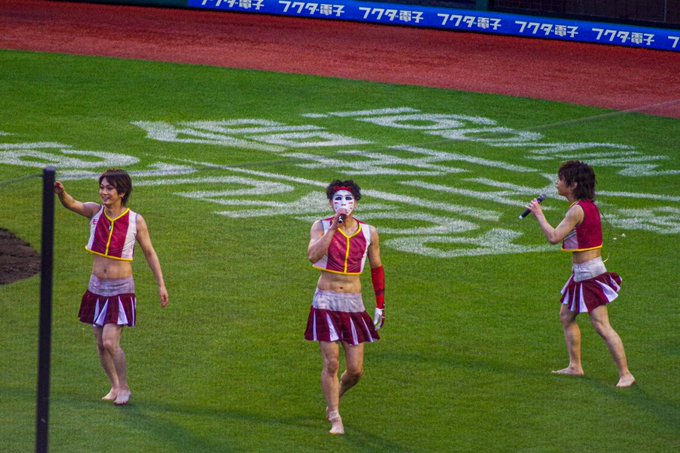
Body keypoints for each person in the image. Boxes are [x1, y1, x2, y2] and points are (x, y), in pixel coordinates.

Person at [54, 168, 169, 405]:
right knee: (100, 344)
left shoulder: (135, 220)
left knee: (110, 342)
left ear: (122, 193)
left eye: (109, 188)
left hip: (120, 289)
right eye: (102, 187)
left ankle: (125, 387)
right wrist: (61, 193)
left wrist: (161, 284)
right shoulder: (95, 212)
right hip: (96, 287)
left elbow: (149, 252)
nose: (103, 192)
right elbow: (72, 204)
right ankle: (115, 386)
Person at [526, 160, 635, 388]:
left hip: (589, 275)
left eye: (560, 179)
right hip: (582, 273)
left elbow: (554, 237)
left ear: (573, 184)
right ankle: (575, 366)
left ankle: (626, 374)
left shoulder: (576, 210)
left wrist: (539, 214)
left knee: (601, 326)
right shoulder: (587, 206)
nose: (557, 183)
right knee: (566, 317)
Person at [305, 180, 385, 434]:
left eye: (348, 199)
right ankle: (335, 416)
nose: (343, 203)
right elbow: (313, 255)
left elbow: (376, 268)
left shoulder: (369, 232)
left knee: (356, 371)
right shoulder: (320, 226)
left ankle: (335, 396)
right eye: (337, 199)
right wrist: (333, 229)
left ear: (356, 203)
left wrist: (380, 305)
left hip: (353, 303)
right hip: (326, 300)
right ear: (330, 203)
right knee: (331, 363)